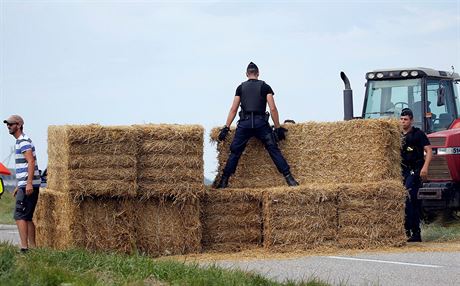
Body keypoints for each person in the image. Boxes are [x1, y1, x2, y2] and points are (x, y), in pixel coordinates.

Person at [216, 62, 299, 188]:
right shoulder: (265, 87)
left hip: (245, 124)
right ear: (258, 73)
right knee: (273, 148)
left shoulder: (240, 87)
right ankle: (289, 178)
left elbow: (233, 109)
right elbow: (273, 109)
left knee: (235, 152)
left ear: (246, 74)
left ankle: (224, 181)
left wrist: (226, 127)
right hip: (261, 124)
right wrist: (277, 128)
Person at [3, 115, 41, 253]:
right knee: (27, 217)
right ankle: (33, 248)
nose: (8, 126)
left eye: (11, 124)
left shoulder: (23, 141)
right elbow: (26, 165)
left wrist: (28, 183)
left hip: (28, 185)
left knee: (19, 216)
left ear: (18, 125)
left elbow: (31, 162)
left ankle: (24, 248)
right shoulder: (21, 141)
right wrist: (20, 185)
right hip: (25, 184)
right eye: (7, 124)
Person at [400, 108, 432, 242]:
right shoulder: (397, 135)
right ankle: (406, 231)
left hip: (415, 169)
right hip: (403, 171)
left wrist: (425, 168)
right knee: (403, 200)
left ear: (411, 120)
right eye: (401, 119)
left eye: (405, 119)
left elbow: (429, 151)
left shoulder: (418, 134)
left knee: (410, 198)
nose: (403, 122)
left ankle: (416, 232)